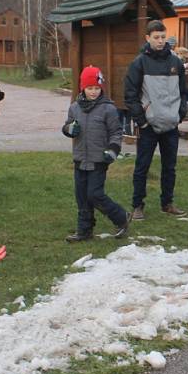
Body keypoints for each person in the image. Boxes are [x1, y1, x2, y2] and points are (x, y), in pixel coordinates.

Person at [124, 20, 188, 220]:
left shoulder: (175, 62)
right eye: (156, 38)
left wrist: (180, 114)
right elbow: (130, 94)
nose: (160, 41)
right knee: (142, 166)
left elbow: (184, 92)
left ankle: (167, 203)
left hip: (171, 124)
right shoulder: (139, 63)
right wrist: (142, 121)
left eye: (163, 37)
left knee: (170, 167)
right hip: (149, 126)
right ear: (148, 38)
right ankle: (137, 205)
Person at [62, 65, 129, 242]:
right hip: (80, 159)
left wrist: (113, 150)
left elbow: (116, 132)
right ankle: (84, 230)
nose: (93, 92)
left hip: (99, 159)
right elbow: (66, 126)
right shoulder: (75, 107)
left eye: (97, 88)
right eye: (90, 88)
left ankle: (121, 217)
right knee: (82, 197)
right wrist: (70, 129)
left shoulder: (108, 109)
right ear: (83, 88)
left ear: (102, 88)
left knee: (94, 194)